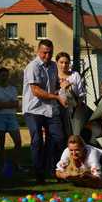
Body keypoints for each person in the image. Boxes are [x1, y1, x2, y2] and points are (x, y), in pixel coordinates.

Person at [22, 39, 67, 184]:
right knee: (37, 140)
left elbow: (54, 85)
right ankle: (39, 174)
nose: (47, 56)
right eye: (44, 53)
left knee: (58, 139)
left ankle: (56, 171)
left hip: (50, 109)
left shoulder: (54, 66)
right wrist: (56, 97)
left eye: (50, 53)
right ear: (38, 51)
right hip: (33, 109)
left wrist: (63, 86)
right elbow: (36, 91)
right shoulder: (32, 67)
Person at [0, 68, 22, 175]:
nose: (4, 77)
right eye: (2, 75)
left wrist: (3, 104)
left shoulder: (13, 89)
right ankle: (3, 165)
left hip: (12, 117)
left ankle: (15, 163)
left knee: (18, 142)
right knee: (1, 144)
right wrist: (9, 104)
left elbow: (16, 104)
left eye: (6, 75)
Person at [56, 52, 87, 136]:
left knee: (75, 134)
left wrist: (76, 104)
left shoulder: (75, 75)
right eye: (61, 62)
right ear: (57, 63)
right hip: (58, 110)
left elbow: (82, 93)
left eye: (66, 62)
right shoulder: (54, 76)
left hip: (75, 110)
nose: (64, 65)